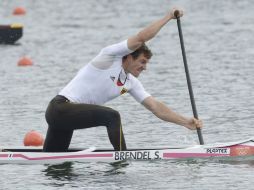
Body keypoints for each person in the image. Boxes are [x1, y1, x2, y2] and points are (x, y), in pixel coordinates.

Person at [43, 7, 203, 152]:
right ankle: (122, 157)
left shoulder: (131, 83)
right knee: (112, 116)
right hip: (60, 108)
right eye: (142, 62)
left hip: (66, 119)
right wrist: (168, 17)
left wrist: (184, 122)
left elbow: (156, 107)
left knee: (53, 163)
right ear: (128, 57)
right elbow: (141, 38)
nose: (144, 67)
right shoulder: (109, 57)